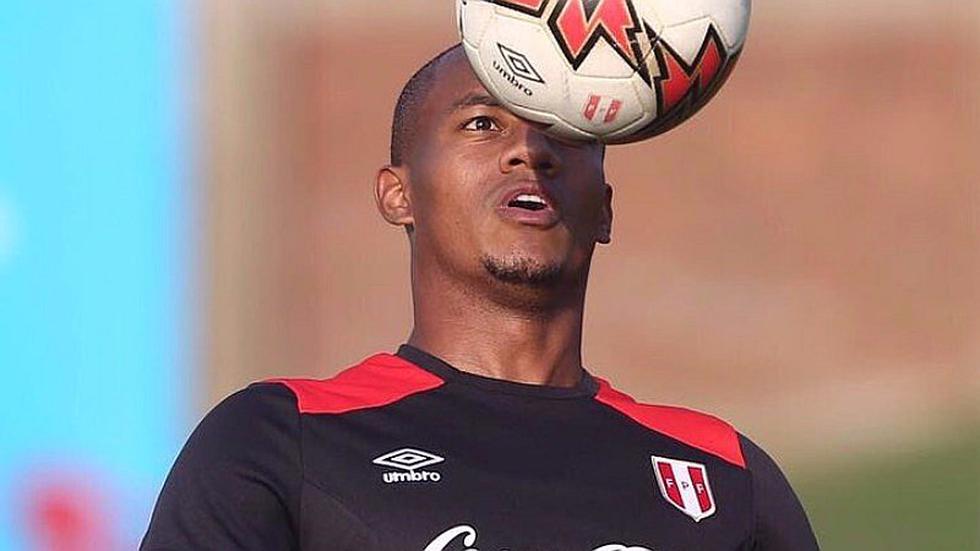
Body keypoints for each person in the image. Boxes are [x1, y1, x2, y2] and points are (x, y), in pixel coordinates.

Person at [141, 44, 819, 551]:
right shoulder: (282, 437)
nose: (530, 150)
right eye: (481, 125)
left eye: (563, 129)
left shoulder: (726, 473)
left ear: (606, 209)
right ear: (398, 194)